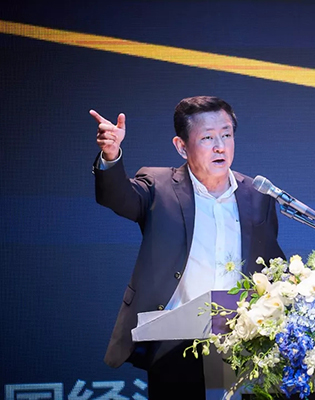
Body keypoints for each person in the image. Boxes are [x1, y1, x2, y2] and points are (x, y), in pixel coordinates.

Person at [91, 96, 285, 399]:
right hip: (175, 341)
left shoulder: (257, 194)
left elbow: (270, 262)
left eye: (226, 135)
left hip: (244, 338)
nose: (220, 146)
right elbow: (117, 197)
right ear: (182, 146)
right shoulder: (159, 185)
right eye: (207, 138)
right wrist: (111, 156)